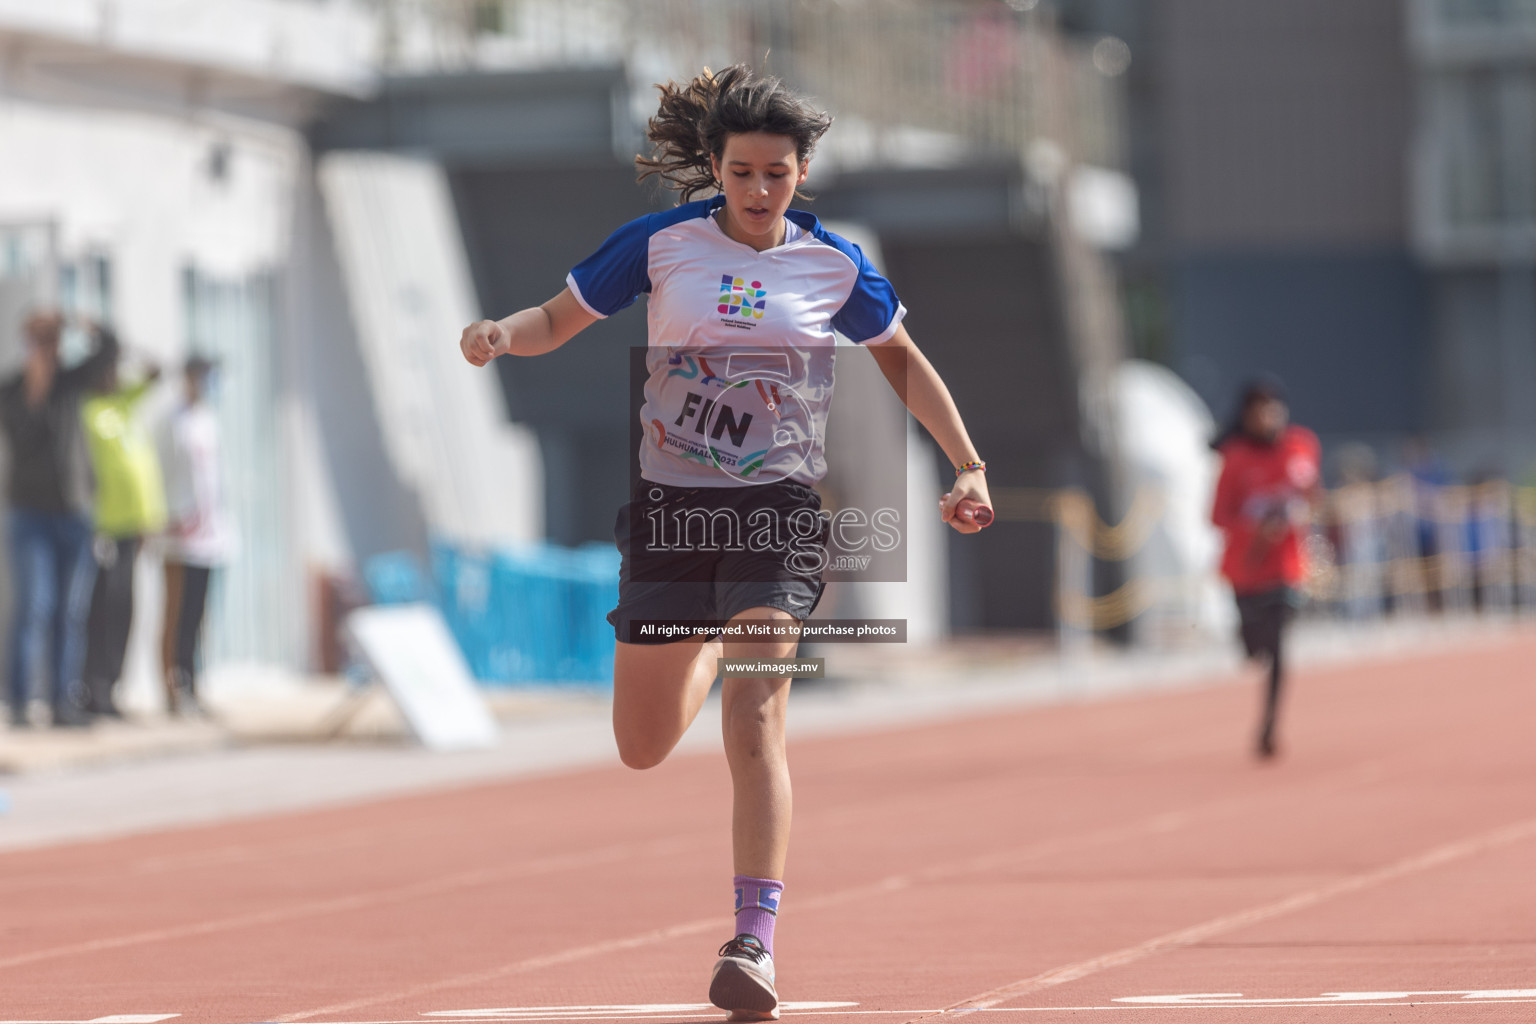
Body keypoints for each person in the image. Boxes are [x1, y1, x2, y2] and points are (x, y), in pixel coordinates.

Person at [458, 65, 991, 1021]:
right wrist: (501, 334)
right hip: (670, 514)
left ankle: (754, 942)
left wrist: (968, 465)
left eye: (776, 174)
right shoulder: (661, 246)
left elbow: (903, 361)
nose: (757, 191)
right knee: (643, 744)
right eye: (741, 171)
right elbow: (557, 318)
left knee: (756, 717)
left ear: (801, 174)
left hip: (778, 513)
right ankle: (705, 637)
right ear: (713, 166)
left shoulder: (835, 267)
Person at [0, 313, 119, 728]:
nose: (49, 351)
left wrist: (82, 322)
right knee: (35, 605)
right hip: (29, 513)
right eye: (40, 342)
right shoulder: (13, 389)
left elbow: (109, 350)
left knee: (70, 611)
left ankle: (62, 701)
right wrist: (35, 389)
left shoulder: (72, 382)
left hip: (74, 511)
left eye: (53, 342)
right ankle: (18, 700)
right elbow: (22, 435)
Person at [1211, 378, 1320, 760]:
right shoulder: (1236, 458)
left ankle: (1269, 725)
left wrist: (1299, 510)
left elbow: (1311, 491)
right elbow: (1217, 515)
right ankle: (1247, 641)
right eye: (1260, 410)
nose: (1269, 417)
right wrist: (1255, 525)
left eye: (1274, 409)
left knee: (1277, 644)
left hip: (1286, 566)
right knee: (1254, 649)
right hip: (1245, 569)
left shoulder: (1300, 446)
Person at [80, 350, 167, 719]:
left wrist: (126, 353)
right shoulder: (87, 411)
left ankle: (113, 685)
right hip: (103, 529)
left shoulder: (123, 405)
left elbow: (155, 371)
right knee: (101, 608)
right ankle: (93, 687)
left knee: (125, 610)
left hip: (132, 528)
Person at [158, 355, 231, 718]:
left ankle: (195, 682)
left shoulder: (208, 420)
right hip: (179, 533)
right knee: (177, 612)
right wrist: (168, 516)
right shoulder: (172, 420)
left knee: (198, 614)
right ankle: (173, 688)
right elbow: (161, 471)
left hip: (210, 533)